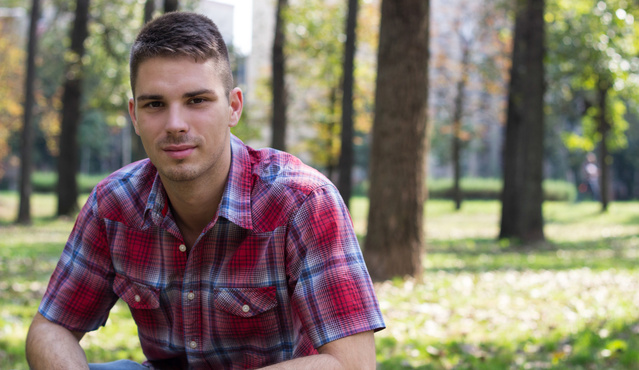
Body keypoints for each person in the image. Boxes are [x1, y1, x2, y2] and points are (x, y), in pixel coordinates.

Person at [25, 12, 384, 369]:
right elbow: (51, 327)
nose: (175, 124)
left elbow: (353, 364)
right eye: (155, 104)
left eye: (197, 100)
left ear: (233, 107)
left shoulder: (303, 201)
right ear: (134, 115)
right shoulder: (114, 203)